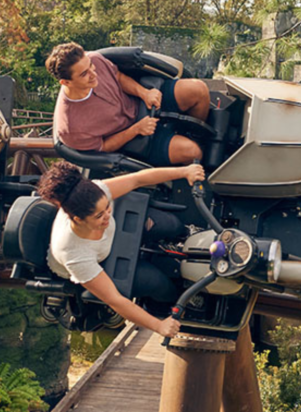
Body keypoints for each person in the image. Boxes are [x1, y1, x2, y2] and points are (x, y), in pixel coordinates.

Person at [38, 160, 205, 339]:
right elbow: (114, 300)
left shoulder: (94, 191)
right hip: (98, 261)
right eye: (99, 215)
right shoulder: (73, 254)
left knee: (171, 224)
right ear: (78, 219)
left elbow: (137, 180)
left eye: (108, 207)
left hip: (109, 237)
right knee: (156, 283)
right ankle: (182, 296)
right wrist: (159, 326)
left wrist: (184, 170)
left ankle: (185, 236)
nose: (107, 216)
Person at [46, 43, 210, 166]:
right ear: (65, 82)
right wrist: (136, 129)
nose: (93, 74)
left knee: (199, 89)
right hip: (133, 137)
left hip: (141, 102)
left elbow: (117, 76)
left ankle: (196, 134)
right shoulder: (70, 128)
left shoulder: (95, 59)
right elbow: (103, 147)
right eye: (84, 74)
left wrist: (144, 93)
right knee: (193, 152)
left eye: (90, 66)